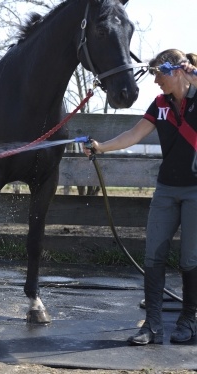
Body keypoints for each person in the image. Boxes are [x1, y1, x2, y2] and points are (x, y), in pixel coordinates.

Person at [84, 49, 197, 345]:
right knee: (153, 256)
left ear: (175, 71)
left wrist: (195, 74)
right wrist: (100, 147)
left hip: (195, 192)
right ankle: (153, 325)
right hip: (166, 190)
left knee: (190, 258)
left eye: (158, 74)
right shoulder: (159, 105)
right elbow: (133, 135)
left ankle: (188, 320)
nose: (155, 82)